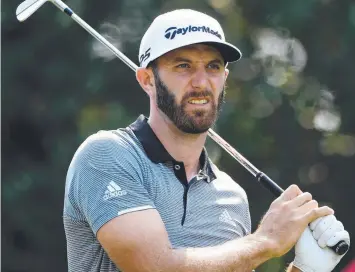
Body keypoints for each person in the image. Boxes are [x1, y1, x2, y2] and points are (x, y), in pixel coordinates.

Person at [63, 9, 350, 272]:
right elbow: (153, 266)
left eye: (212, 67)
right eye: (183, 66)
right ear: (147, 79)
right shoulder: (107, 155)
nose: (201, 82)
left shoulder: (232, 197)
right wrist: (265, 242)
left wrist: (304, 269)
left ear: (225, 77)